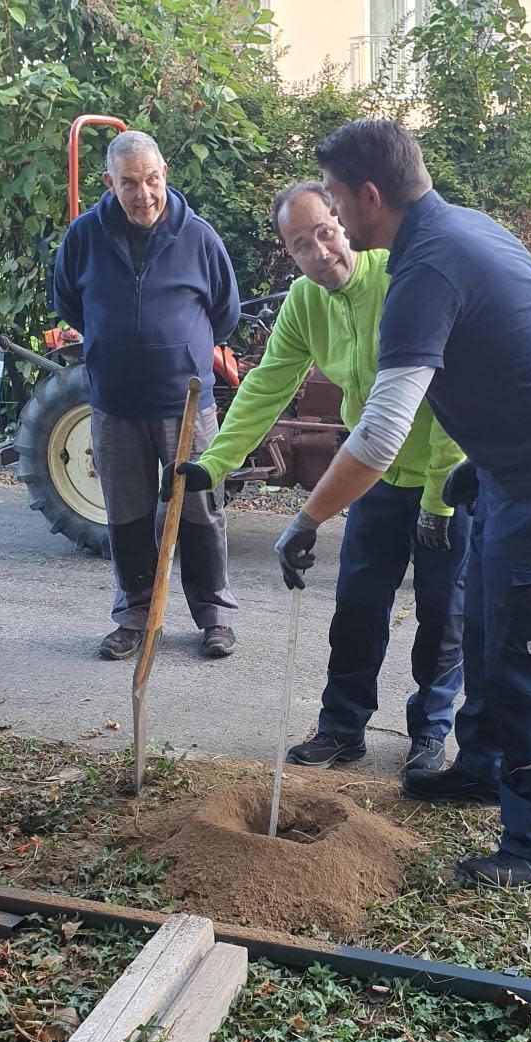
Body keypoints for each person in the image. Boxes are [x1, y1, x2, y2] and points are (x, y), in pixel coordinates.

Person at [273, 119, 531, 890]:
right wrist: (478, 461)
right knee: (484, 623)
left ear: (368, 196)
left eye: (334, 197)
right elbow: (515, 347)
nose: (330, 214)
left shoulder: (424, 270)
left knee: (525, 649)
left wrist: (307, 518)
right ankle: (483, 768)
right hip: (510, 468)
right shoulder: (467, 229)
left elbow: (380, 433)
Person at [166, 181, 470, 775]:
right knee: (357, 606)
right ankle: (341, 730)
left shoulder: (397, 277)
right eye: (301, 244)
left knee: (443, 611)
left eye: (326, 232)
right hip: (373, 475)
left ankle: (430, 733)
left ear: (344, 223)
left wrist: (439, 498)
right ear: (290, 252)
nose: (320, 252)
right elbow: (265, 386)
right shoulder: (305, 302)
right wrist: (215, 464)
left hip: (444, 474)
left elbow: (450, 396)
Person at [52, 130, 241, 661]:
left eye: (151, 180)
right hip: (114, 403)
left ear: (165, 175)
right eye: (130, 183)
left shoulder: (199, 237)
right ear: (110, 183)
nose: (143, 194)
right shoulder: (85, 237)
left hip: (186, 406)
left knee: (202, 512)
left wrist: (180, 350)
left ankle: (215, 617)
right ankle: (135, 615)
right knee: (127, 515)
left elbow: (225, 311)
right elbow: (68, 301)